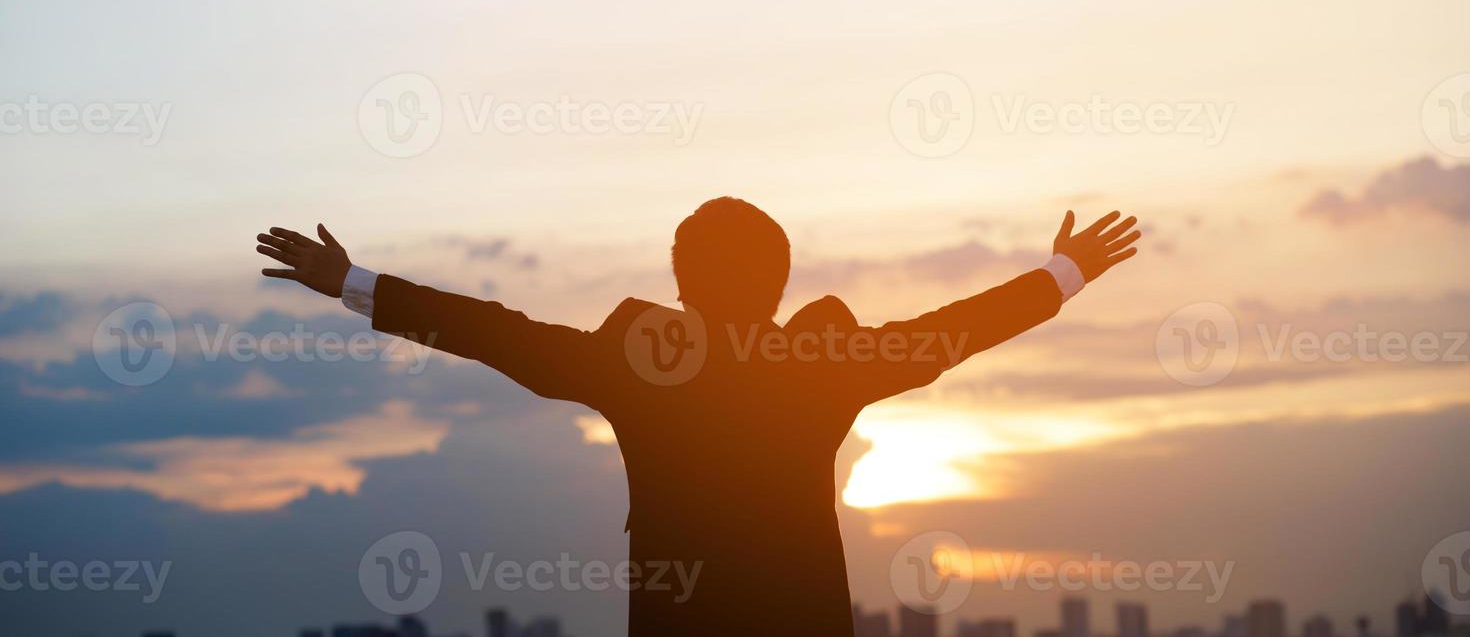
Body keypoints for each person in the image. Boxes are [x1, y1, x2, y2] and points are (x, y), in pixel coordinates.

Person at [257, 198, 1139, 636]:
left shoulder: (643, 369)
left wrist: (355, 284)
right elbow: (954, 330)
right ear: (781, 281)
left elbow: (498, 334)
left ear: (681, 278)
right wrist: (1063, 274)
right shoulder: (823, 367)